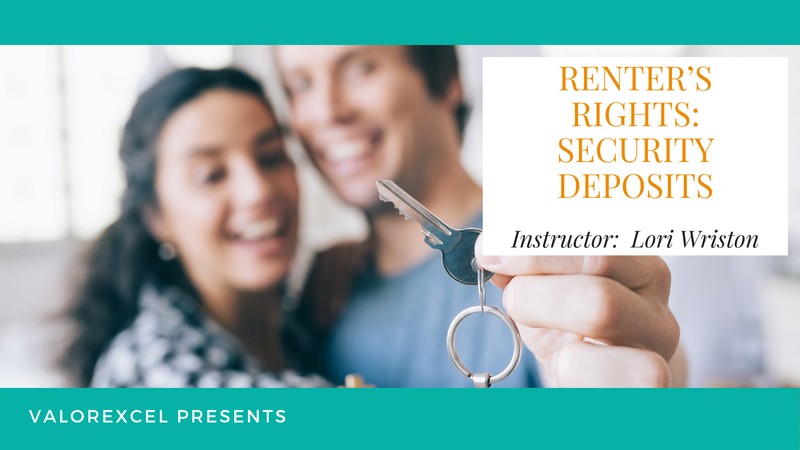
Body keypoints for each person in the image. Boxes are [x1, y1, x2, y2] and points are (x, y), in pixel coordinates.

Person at [277, 45, 685, 387]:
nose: (327, 110)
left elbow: (646, 365)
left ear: (447, 79)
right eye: (301, 84)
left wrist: (638, 368)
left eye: (359, 69)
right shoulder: (316, 290)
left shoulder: (554, 247)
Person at [61, 67, 328, 388]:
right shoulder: (153, 367)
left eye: (271, 157)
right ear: (156, 216)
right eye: (211, 175)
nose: (258, 190)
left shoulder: (306, 324)